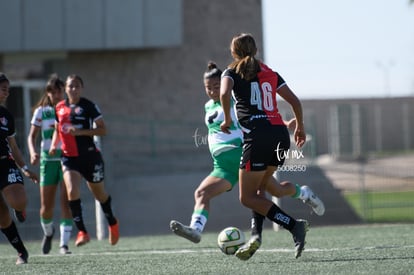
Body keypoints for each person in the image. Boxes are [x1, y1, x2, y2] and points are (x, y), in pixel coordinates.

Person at [170, 62, 324, 255]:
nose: (211, 91)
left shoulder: (234, 100)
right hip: (223, 167)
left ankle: (303, 194)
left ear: (225, 84)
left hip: (243, 154)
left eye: (216, 87)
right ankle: (195, 230)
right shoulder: (208, 106)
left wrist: (285, 123)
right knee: (202, 193)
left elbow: (259, 113)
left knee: (275, 190)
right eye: (208, 88)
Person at [220, 33, 311, 260]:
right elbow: (295, 101)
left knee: (247, 197)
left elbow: (223, 92)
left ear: (234, 52)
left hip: (257, 136)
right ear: (256, 50)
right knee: (261, 188)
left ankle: (293, 226)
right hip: (279, 134)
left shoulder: (231, 71)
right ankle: (256, 235)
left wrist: (227, 120)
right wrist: (299, 127)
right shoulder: (270, 72)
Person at [49, 74, 119, 247]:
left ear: (81, 88)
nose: (73, 89)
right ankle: (82, 232)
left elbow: (103, 130)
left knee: (99, 195)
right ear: (65, 88)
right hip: (69, 157)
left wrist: (80, 132)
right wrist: (53, 145)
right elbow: (58, 128)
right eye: (70, 86)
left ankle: (112, 223)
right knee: (71, 191)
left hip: (89, 157)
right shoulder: (59, 107)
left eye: (77, 86)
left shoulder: (88, 106)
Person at [27, 74, 73, 255]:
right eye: (52, 92)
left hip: (66, 159)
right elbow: (31, 136)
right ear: (48, 93)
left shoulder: (68, 110)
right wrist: (32, 153)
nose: (56, 95)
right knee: (46, 207)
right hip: (47, 161)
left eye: (59, 91)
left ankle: (64, 245)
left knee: (66, 203)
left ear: (63, 91)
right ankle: (48, 232)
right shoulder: (41, 111)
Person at [0, 72, 39, 264]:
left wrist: (24, 168)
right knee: (2, 217)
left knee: (19, 200)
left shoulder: (6, 116)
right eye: (3, 88)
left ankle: (19, 209)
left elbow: (13, 146)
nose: (7, 92)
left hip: (5, 163)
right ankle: (22, 252)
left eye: (8, 89)